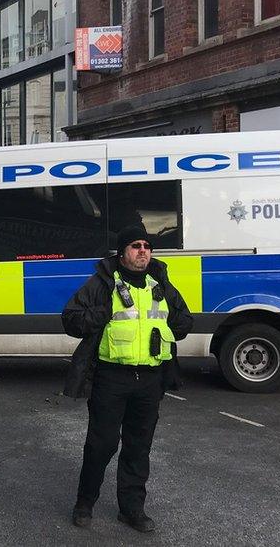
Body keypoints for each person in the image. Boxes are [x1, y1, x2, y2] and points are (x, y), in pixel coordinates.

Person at [62, 224, 193, 533]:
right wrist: (102, 312)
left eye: (147, 245)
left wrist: (173, 323)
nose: (143, 250)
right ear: (122, 254)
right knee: (101, 445)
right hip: (111, 378)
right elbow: (70, 319)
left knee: (138, 447)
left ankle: (131, 509)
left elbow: (184, 321)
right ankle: (85, 503)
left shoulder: (159, 283)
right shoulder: (102, 284)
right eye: (136, 246)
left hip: (150, 379)